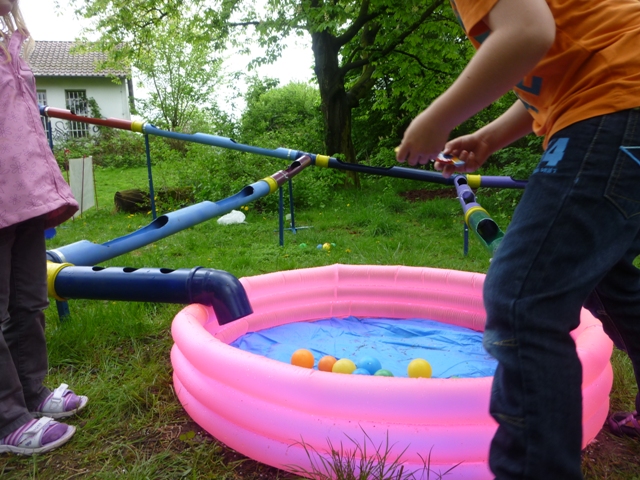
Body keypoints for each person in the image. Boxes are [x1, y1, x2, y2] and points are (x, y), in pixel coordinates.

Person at [396, 0, 640, 477]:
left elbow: (527, 34)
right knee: (607, 279)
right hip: (622, 102)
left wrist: (434, 120)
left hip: (614, 106)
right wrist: (488, 138)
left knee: (521, 299)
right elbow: (554, 60)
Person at [0, 0, 88, 455]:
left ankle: (31, 391)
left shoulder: (11, 46)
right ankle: (6, 418)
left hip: (26, 196)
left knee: (29, 303)